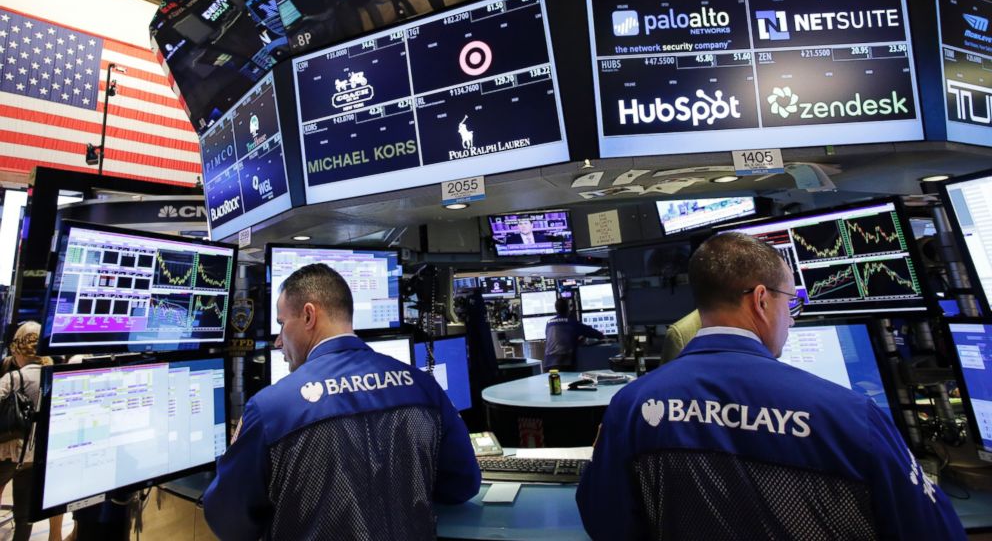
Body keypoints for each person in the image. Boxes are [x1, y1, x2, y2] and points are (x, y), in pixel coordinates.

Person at [576, 232, 966, 540]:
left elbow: (604, 520)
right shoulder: (849, 414)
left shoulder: (633, 405)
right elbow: (934, 530)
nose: (792, 320)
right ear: (761, 300)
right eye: (790, 302)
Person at [203, 263, 480, 540]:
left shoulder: (270, 410)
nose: (278, 341)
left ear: (309, 315)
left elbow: (228, 520)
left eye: (282, 323)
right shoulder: (424, 387)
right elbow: (462, 484)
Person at [0, 322, 63, 541]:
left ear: (19, 350)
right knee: (24, 514)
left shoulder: (13, 377)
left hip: (7, 453)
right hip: (33, 455)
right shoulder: (53, 376)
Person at [543, 298, 605, 371]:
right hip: (564, 363)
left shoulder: (549, 323)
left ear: (556, 309)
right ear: (568, 309)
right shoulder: (572, 323)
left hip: (548, 363)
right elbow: (592, 332)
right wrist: (602, 335)